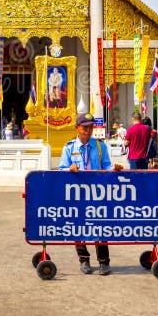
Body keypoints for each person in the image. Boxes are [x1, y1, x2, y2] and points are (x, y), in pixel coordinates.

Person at [59, 113, 123, 275]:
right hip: (77, 194)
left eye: (90, 127)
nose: (88, 130)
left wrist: (114, 169)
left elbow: (106, 165)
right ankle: (84, 259)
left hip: (97, 193)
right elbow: (61, 170)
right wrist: (69, 170)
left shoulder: (100, 146)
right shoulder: (69, 148)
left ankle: (104, 262)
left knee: (100, 225)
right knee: (78, 227)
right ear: (77, 128)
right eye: (84, 127)